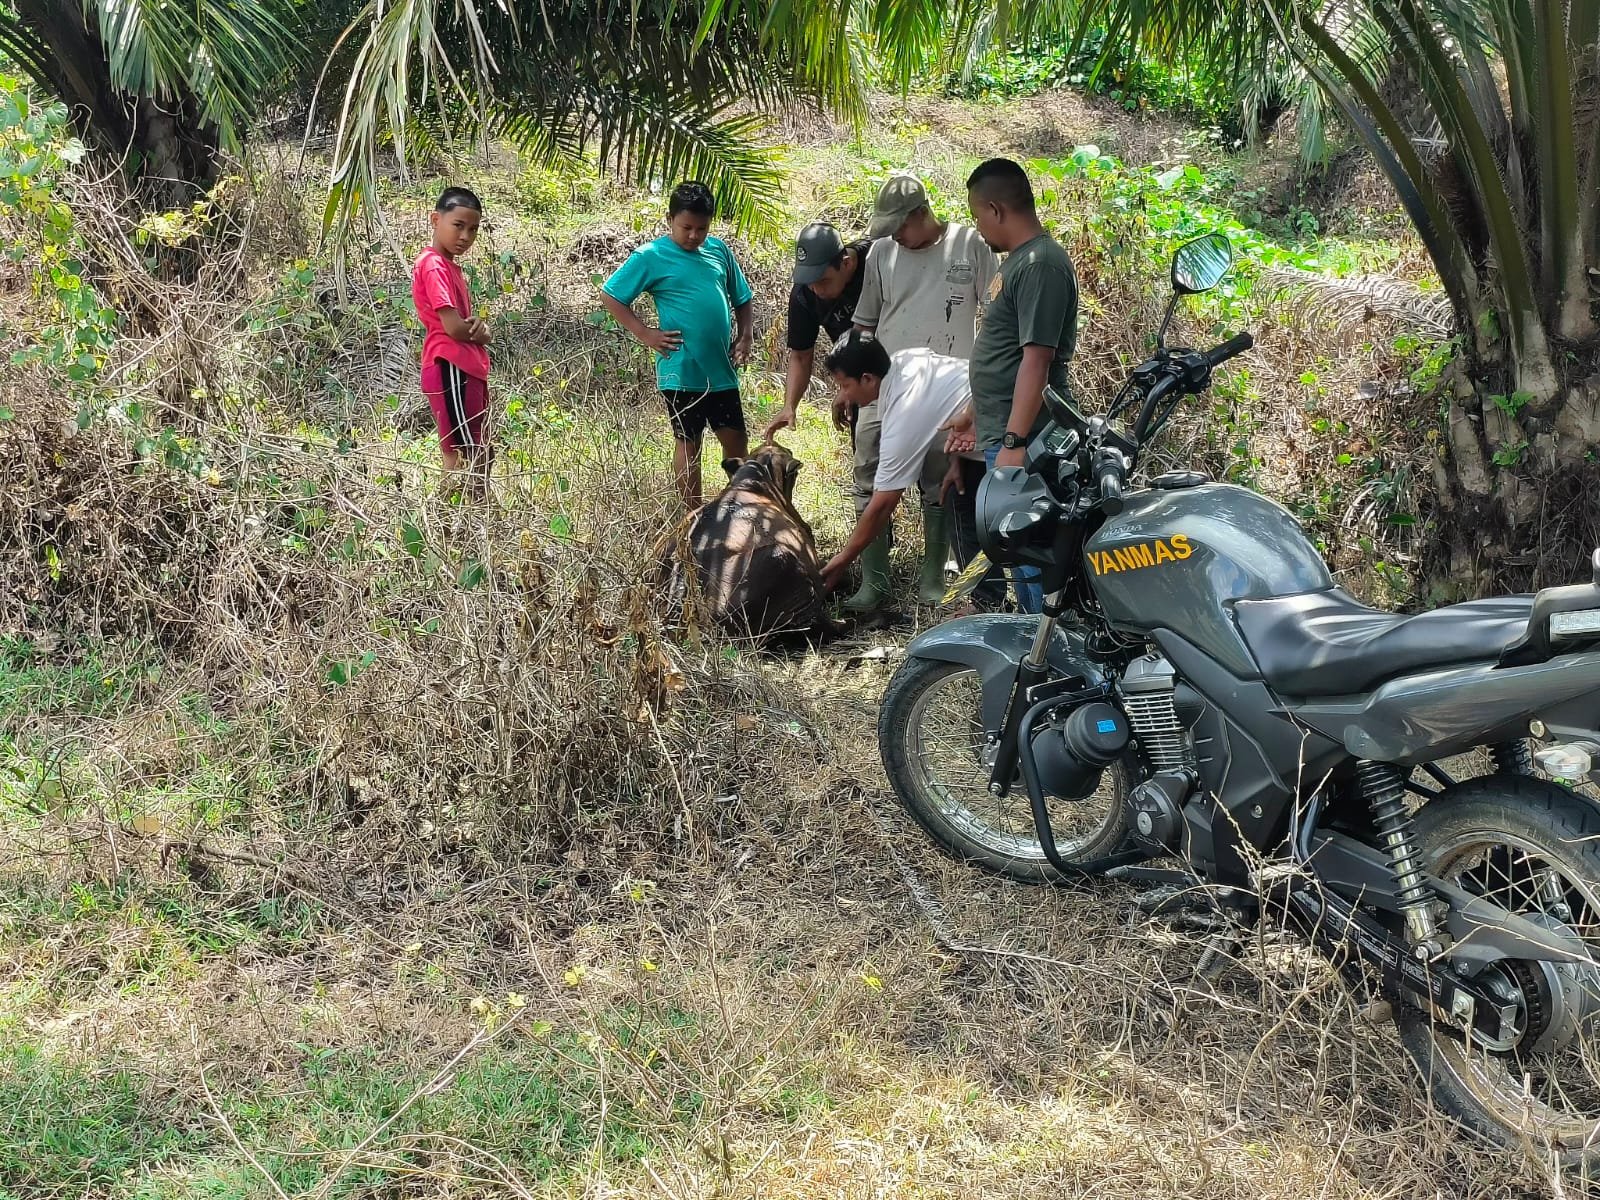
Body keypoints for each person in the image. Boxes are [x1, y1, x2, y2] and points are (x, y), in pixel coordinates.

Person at [943, 158, 1079, 614]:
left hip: (1033, 441)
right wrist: (974, 411)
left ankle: (1049, 655)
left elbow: (1036, 361)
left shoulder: (1041, 264)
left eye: (977, 214)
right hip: (1008, 431)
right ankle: (1031, 642)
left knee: (1033, 551)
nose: (977, 227)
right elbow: (1005, 357)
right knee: (1019, 553)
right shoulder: (1020, 262)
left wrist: (1016, 443)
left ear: (996, 209)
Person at [819, 331, 1005, 610]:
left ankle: (1020, 610)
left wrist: (843, 559)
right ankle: (989, 603)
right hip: (983, 423)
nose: (844, 396)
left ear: (868, 379)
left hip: (1007, 426)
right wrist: (961, 458)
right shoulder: (903, 362)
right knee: (960, 501)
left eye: (845, 386)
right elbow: (956, 390)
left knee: (1012, 520)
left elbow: (883, 504)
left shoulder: (904, 409)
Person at [600, 181, 754, 509]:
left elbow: (742, 297)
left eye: (702, 228)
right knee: (688, 441)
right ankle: (691, 516)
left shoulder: (718, 251)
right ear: (670, 218)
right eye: (686, 227)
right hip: (680, 368)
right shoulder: (651, 256)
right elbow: (611, 295)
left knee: (736, 439)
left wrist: (746, 334)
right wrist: (645, 333)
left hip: (721, 369)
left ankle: (741, 508)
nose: (694, 235)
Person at [412, 186, 493, 500]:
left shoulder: (447, 266)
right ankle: (463, 521)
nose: (465, 236)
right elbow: (456, 328)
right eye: (458, 225)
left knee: (471, 449)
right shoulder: (433, 265)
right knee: (467, 453)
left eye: (473, 229)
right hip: (451, 366)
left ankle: (461, 521)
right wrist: (483, 334)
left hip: (462, 367)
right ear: (435, 219)